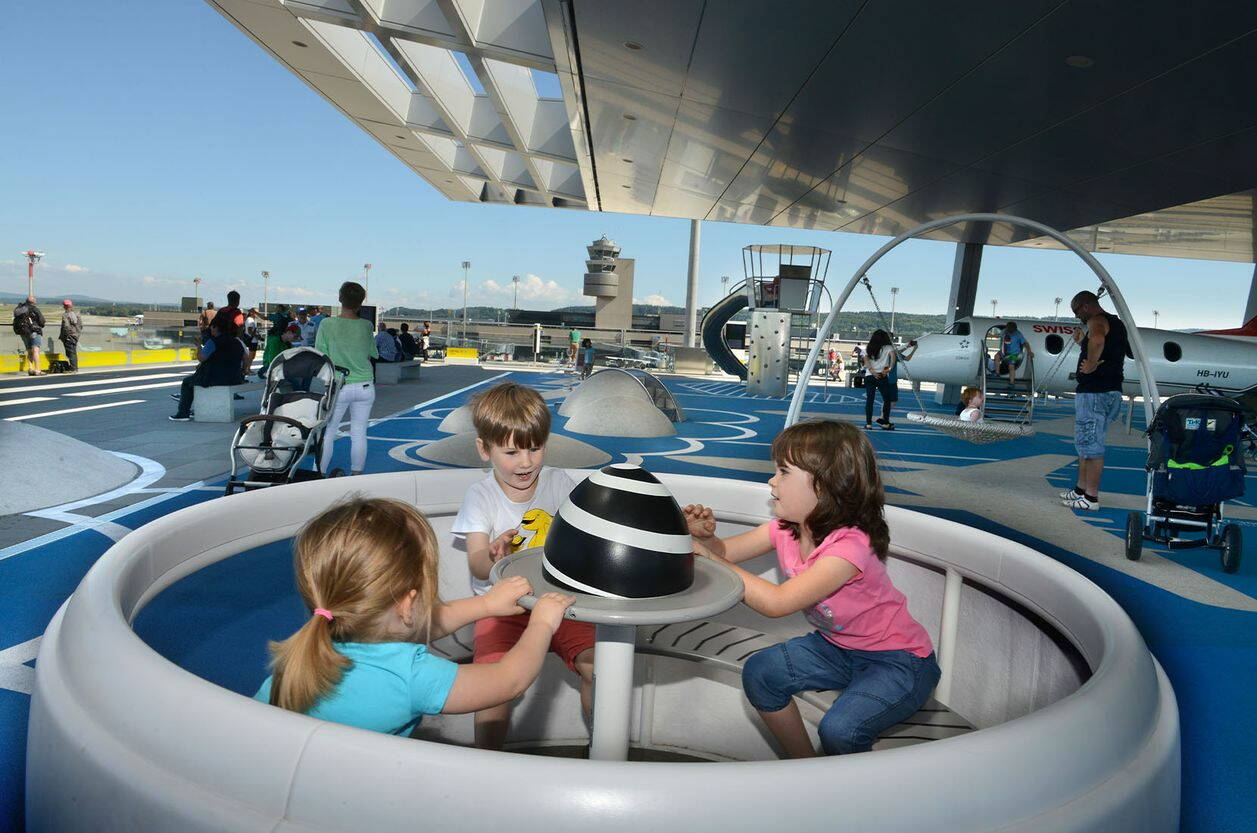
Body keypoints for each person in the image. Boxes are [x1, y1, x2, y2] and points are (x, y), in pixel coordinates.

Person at [682, 420, 939, 757]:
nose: (772, 481)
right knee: (761, 673)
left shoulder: (849, 547)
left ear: (825, 486)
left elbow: (776, 603)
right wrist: (705, 539)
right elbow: (725, 554)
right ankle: (802, 766)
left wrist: (708, 556)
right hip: (836, 649)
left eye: (784, 472)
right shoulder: (785, 530)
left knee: (841, 731)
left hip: (898, 662)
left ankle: (847, 797)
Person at [256, 496, 576, 736]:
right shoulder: (411, 674)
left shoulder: (299, 657)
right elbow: (508, 681)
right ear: (408, 605)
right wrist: (542, 622)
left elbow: (413, 626)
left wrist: (486, 606)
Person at [450, 382, 597, 749]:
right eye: (512, 452)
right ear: (484, 449)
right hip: (502, 608)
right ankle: (487, 760)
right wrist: (495, 555)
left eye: (535, 448)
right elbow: (478, 566)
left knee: (600, 668)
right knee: (491, 687)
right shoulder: (481, 496)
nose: (527, 462)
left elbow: (582, 539)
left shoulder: (558, 482)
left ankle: (602, 748)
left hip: (559, 602)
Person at [1060, 291, 1128, 511]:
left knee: (1091, 445)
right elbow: (1107, 346)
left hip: (1095, 392)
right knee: (1086, 443)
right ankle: (1081, 489)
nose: (1078, 316)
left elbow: (1098, 339)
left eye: (1077, 311)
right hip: (1107, 390)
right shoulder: (1115, 323)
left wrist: (1090, 363)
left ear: (1085, 306)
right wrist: (1083, 343)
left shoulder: (1097, 320)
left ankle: (1091, 497)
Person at [316, 282, 377, 476]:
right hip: (365, 385)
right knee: (359, 433)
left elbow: (320, 354)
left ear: (340, 298)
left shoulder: (327, 324)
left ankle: (318, 473)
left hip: (339, 386)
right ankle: (356, 474)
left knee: (328, 434)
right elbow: (373, 353)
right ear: (360, 302)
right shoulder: (367, 325)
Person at [169, 318, 246, 421]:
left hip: (215, 378)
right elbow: (246, 358)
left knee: (187, 382)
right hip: (235, 378)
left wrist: (198, 346)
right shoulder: (236, 341)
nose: (210, 329)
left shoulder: (213, 341)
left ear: (215, 328)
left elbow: (201, 358)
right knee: (195, 380)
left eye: (212, 327)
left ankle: (183, 413)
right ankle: (196, 409)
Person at [862, 329, 898, 430]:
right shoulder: (889, 347)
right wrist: (888, 370)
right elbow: (893, 359)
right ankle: (885, 422)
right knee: (887, 399)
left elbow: (866, 361)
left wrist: (872, 371)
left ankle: (868, 424)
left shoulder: (868, 347)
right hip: (882, 376)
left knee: (870, 400)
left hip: (870, 376)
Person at [12, 295, 46, 376]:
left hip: (23, 333)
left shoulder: (20, 309)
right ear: (34, 302)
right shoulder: (34, 308)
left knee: (29, 351)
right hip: (34, 332)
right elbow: (42, 321)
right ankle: (37, 370)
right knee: (36, 351)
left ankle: (30, 369)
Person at [260, 303, 293, 378]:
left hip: (275, 338)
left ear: (280, 308)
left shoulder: (277, 315)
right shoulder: (288, 316)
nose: (275, 308)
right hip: (285, 339)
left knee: (269, 355)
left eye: (277, 307)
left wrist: (254, 312)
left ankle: (267, 371)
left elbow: (264, 318)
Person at [58, 299, 83, 373]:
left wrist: (67, 335)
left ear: (65, 306)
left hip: (68, 336)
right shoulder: (77, 314)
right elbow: (80, 326)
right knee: (73, 352)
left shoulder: (65, 315)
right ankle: (74, 367)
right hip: (75, 336)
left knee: (70, 352)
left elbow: (66, 326)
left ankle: (73, 369)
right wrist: (76, 334)